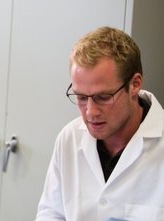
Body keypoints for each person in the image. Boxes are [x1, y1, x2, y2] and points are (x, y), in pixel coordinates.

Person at [36, 26, 164, 220]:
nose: (90, 112)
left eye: (103, 97)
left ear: (135, 84)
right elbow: (52, 213)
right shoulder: (70, 137)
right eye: (81, 97)